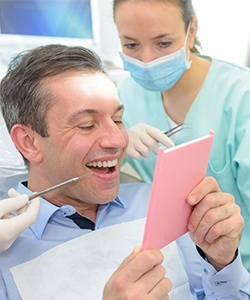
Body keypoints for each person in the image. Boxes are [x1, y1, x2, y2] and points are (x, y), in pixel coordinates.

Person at [0, 44, 249, 299]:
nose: (118, 141)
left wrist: (222, 263)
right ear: (28, 142)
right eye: (87, 125)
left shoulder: (158, 202)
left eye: (118, 120)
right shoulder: (6, 251)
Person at [113, 0, 250, 271]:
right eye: (131, 45)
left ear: (191, 30)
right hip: (172, 271)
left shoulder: (240, 96)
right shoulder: (125, 95)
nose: (147, 60)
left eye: (163, 44)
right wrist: (118, 149)